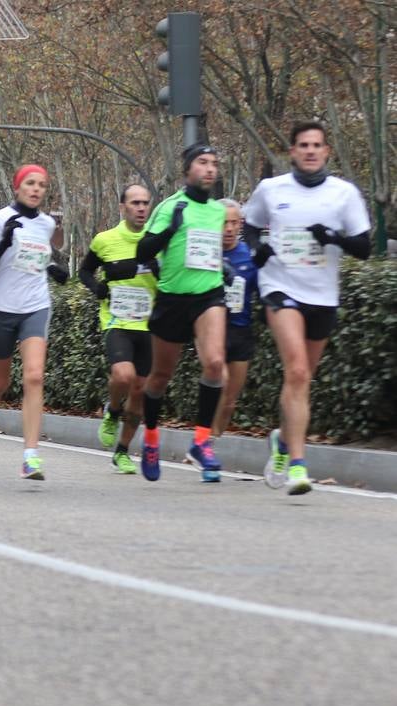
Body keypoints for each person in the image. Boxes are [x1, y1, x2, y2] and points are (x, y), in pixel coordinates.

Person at [243, 121, 371, 495]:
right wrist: (257, 250)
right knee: (296, 369)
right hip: (280, 287)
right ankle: (298, 465)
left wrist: (333, 237)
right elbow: (250, 227)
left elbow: (364, 248)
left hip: (322, 295)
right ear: (293, 152)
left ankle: (283, 441)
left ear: (327, 151)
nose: (311, 151)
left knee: (301, 379)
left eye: (317, 145)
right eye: (303, 145)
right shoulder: (271, 189)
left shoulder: (344, 194)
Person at [134, 144, 230, 483]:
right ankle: (151, 437)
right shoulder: (170, 206)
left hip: (208, 295)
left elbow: (210, 249)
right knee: (159, 378)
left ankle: (201, 442)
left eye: (214, 164)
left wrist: (225, 265)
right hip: (172, 300)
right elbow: (143, 252)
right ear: (187, 169)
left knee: (216, 363)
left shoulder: (219, 211)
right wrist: (170, 229)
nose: (209, 169)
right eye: (202, 163)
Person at [0, 164, 66, 480]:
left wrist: (53, 269)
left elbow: (39, 259)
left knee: (35, 376)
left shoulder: (48, 224)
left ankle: (31, 456)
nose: (36, 189)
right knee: (0, 382)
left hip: (36, 306)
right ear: (18, 187)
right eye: (30, 183)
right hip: (1, 309)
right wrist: (4, 242)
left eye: (42, 185)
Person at [78, 184, 157, 475]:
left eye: (145, 203)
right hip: (117, 320)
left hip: (149, 323)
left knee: (140, 390)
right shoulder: (105, 240)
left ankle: (122, 451)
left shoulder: (157, 240)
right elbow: (85, 271)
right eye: (135, 203)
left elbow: (171, 278)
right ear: (122, 207)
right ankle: (112, 409)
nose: (140, 208)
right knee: (124, 375)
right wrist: (96, 287)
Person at [211, 199, 260, 439]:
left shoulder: (249, 256)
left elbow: (262, 290)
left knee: (230, 399)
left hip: (241, 330)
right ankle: (204, 442)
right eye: (223, 223)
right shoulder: (204, 253)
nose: (229, 229)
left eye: (234, 223)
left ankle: (211, 442)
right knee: (220, 383)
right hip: (212, 330)